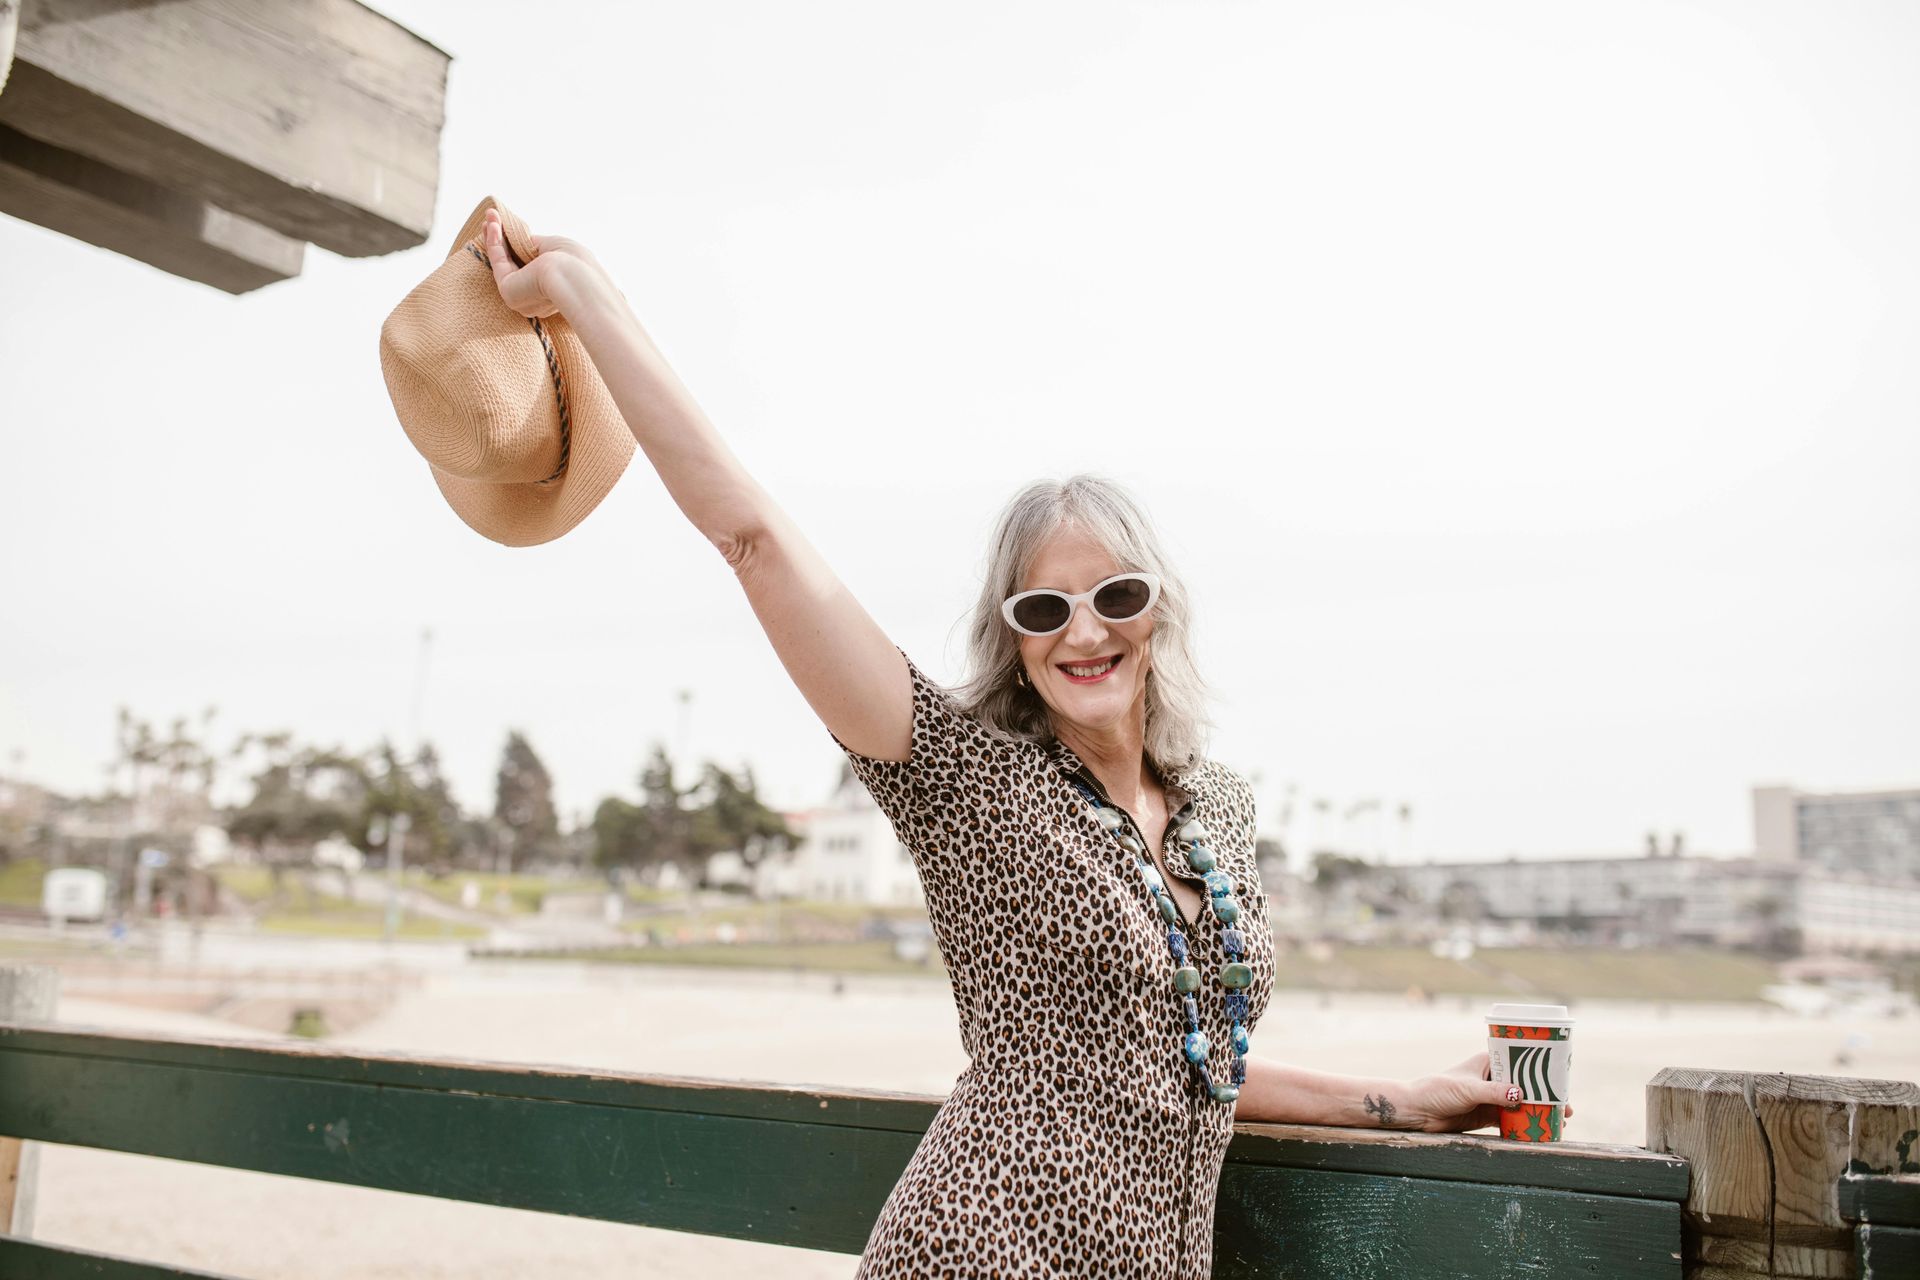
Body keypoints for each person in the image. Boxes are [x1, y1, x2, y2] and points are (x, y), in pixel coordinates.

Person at [480, 210, 1533, 1278]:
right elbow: (751, 537)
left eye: (1114, 594)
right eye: (1045, 607)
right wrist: (584, 298)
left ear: (1158, 611)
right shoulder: (965, 779)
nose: (1084, 629)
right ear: (1012, 635)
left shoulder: (1218, 806)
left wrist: (1404, 1100)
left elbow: (1184, 1064)